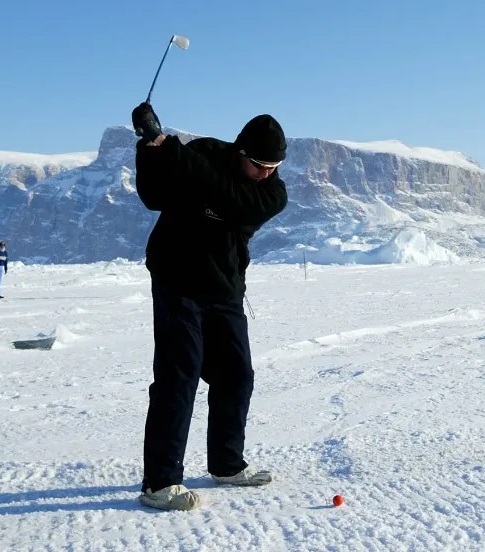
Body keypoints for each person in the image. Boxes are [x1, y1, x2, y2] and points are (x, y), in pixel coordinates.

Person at [130, 102, 289, 511]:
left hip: (224, 289)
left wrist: (175, 153)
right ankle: (160, 483)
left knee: (237, 375)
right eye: (259, 164)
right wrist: (149, 149)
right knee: (178, 376)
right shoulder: (203, 154)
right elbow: (154, 197)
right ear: (240, 151)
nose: (266, 174)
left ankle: (226, 464)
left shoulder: (271, 192)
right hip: (176, 280)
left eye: (274, 165)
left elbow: (233, 200)